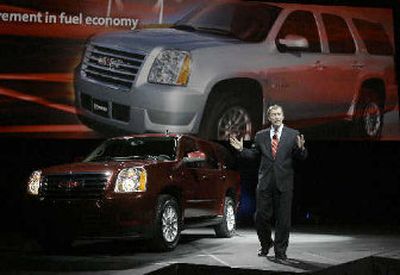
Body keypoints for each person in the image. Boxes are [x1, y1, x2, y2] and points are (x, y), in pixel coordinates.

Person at [230, 104, 307, 261]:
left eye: (279, 114)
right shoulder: (261, 135)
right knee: (260, 217)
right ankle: (266, 243)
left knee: (283, 219)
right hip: (265, 182)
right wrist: (241, 150)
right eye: (274, 115)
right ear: (269, 118)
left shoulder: (293, 134)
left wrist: (300, 149)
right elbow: (254, 155)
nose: (277, 117)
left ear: (283, 116)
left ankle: (280, 251)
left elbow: (302, 157)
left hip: (284, 183)